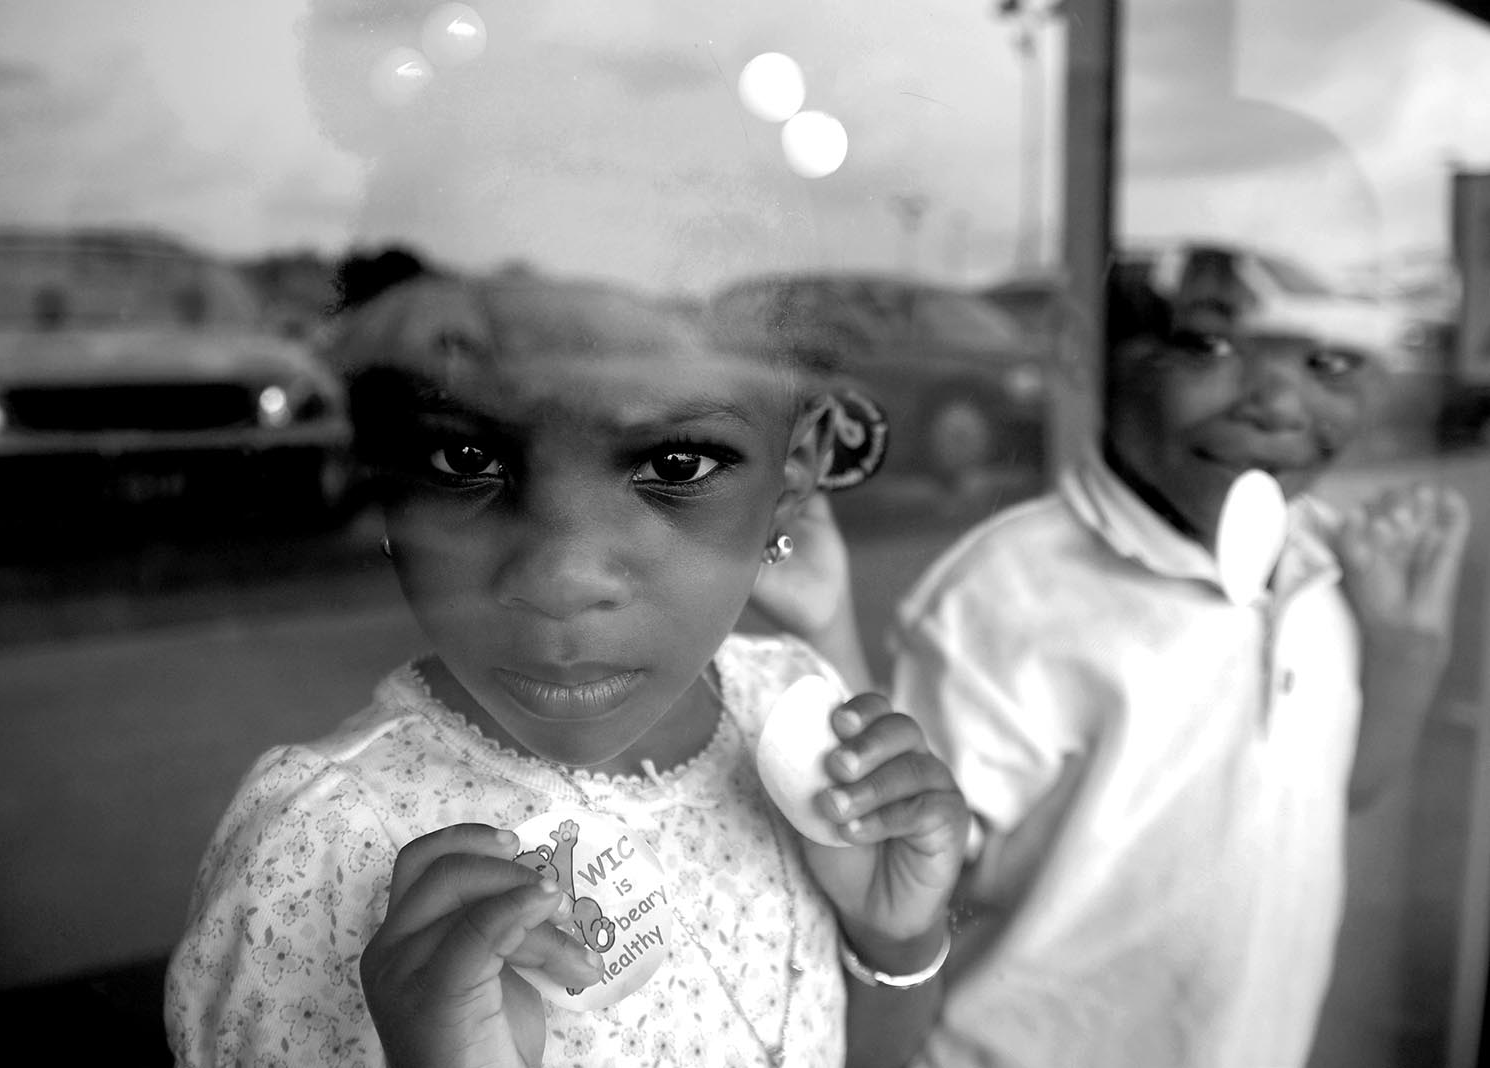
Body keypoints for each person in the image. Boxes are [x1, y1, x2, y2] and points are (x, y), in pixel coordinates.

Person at [163, 268, 969, 1068]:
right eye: (462, 456)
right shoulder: (317, 848)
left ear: (793, 473)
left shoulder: (795, 723)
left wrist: (894, 936)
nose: (560, 578)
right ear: (382, 480)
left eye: (677, 465)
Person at [775, 251, 1472, 1068]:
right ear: (1097, 359)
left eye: (1330, 363)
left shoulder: (1328, 562)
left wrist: (1406, 645)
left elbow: (1335, 790)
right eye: (1209, 346)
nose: (1280, 404)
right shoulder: (1005, 599)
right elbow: (898, 884)